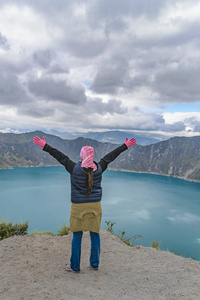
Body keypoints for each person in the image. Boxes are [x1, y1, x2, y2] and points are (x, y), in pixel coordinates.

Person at [33, 135, 136, 273]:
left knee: (77, 236)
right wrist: (125, 145)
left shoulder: (73, 168)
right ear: (92, 156)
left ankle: (75, 266)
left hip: (78, 207)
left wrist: (44, 145)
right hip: (95, 207)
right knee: (95, 234)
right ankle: (94, 264)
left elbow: (60, 156)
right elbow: (110, 156)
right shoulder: (100, 167)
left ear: (82, 157)